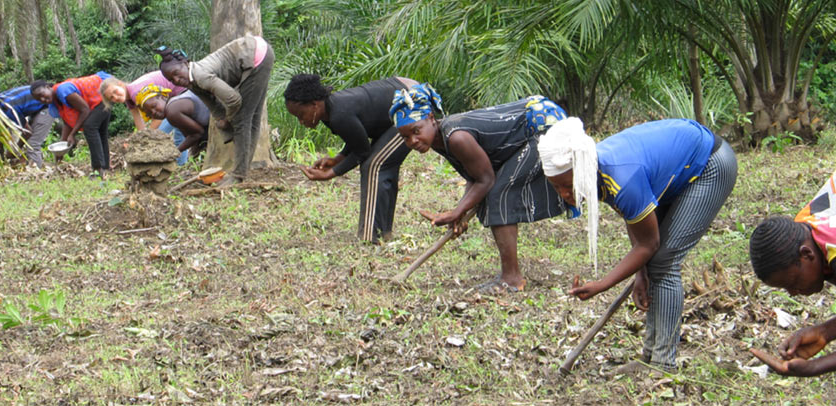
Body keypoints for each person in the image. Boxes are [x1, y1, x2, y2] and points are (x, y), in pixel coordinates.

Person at [538, 117, 737, 373]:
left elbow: (649, 243)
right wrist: (640, 272)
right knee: (654, 262)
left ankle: (663, 363)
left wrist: (602, 284)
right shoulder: (599, 170)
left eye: (568, 185)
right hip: (674, 169)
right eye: (557, 187)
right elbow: (634, 219)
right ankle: (650, 358)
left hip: (710, 164)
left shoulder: (621, 176)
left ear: (583, 169)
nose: (565, 194)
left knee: (664, 260)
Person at [389, 83, 571, 291]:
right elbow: (474, 175)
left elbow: (486, 180)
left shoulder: (456, 137)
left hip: (543, 125)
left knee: (498, 194)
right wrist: (461, 211)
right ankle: (510, 276)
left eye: (416, 131)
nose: (413, 140)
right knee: (493, 193)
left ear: (431, 118)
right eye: (405, 137)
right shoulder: (438, 139)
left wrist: (456, 212)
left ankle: (512, 279)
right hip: (527, 130)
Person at [747, 133, 836, 377]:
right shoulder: (806, 231)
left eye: (793, 283)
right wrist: (824, 333)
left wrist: (814, 367)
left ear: (806, 254)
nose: (794, 293)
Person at [284, 74, 418, 244]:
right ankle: (382, 232)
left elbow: (362, 151)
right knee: (378, 164)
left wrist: (330, 173)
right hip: (402, 96)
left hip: (413, 103)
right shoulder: (329, 111)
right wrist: (338, 158)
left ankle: (372, 237)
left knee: (374, 165)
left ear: (314, 104)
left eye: (301, 115)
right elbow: (357, 137)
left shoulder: (339, 113)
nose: (301, 121)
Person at [156, 37, 273, 185]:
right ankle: (243, 169)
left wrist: (229, 119)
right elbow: (212, 105)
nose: (177, 80)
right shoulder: (193, 83)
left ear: (185, 64)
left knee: (243, 120)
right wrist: (222, 122)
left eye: (177, 73)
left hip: (255, 56)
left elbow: (233, 99)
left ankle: (238, 175)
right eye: (172, 80)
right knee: (247, 119)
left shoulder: (201, 76)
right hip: (257, 51)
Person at [49, 72, 128, 171]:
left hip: (104, 91)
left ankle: (98, 168)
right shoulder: (58, 101)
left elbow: (85, 110)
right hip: (102, 93)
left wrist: (72, 134)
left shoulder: (62, 91)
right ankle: (104, 167)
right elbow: (68, 122)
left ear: (48, 88)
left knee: (90, 127)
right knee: (100, 132)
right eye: (40, 99)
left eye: (43, 95)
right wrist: (62, 147)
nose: (43, 99)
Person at [140, 88, 210, 165]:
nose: (154, 112)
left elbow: (198, 133)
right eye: (150, 113)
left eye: (154, 106)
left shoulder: (172, 111)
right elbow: (192, 137)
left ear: (163, 98)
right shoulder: (173, 107)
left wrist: (174, 152)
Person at [0, 81, 55, 167]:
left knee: (33, 144)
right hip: (33, 108)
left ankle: (37, 174)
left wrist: (16, 150)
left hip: (46, 106)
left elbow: (27, 132)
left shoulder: (8, 109)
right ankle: (33, 164)